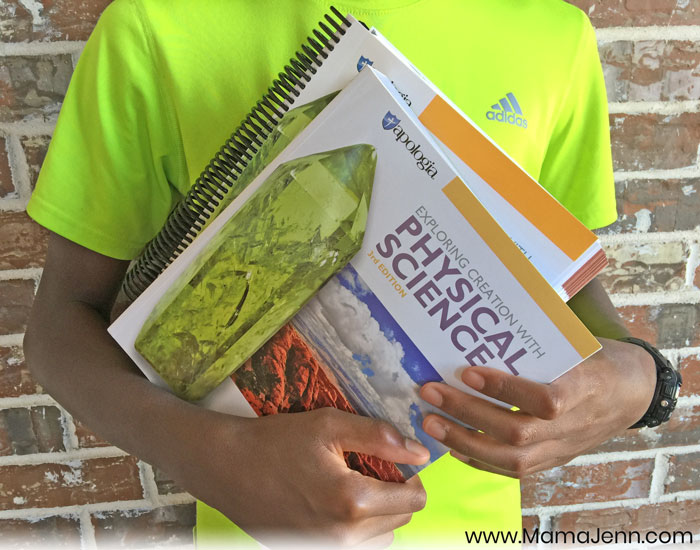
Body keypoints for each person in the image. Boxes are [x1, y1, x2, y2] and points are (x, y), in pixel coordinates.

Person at [23, 0, 669, 548]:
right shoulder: (155, 23)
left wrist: (642, 378)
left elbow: (571, 286)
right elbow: (62, 322)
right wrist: (206, 455)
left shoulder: (551, 34)